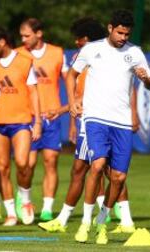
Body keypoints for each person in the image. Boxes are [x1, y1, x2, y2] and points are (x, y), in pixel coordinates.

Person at [38, 17, 137, 234]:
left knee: (89, 171)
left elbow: (83, 99)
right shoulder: (88, 59)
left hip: (94, 123)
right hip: (91, 121)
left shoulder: (94, 59)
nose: (76, 43)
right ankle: (122, 218)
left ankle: (69, 220)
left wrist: (62, 111)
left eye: (80, 39)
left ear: (89, 40)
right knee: (103, 171)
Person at [67, 10, 150, 244]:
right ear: (109, 28)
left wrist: (146, 78)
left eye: (127, 34)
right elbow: (71, 75)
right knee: (96, 166)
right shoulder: (91, 49)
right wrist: (72, 101)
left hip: (122, 123)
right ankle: (85, 222)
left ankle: (101, 222)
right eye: (119, 32)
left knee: (118, 177)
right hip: (95, 118)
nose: (123, 37)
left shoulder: (135, 53)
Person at [0, 26, 41, 226]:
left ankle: (25, 200)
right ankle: (10, 214)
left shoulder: (25, 62)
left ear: (2, 42)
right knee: (2, 168)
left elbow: (33, 92)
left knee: (23, 164)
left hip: (21, 121)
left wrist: (38, 121)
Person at [16, 18, 69, 221]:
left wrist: (65, 109)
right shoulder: (18, 54)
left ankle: (47, 208)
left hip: (51, 116)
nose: (23, 39)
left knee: (51, 161)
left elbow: (69, 81)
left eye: (27, 35)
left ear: (39, 34)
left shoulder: (57, 53)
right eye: (22, 36)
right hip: (27, 116)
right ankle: (24, 196)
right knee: (27, 164)